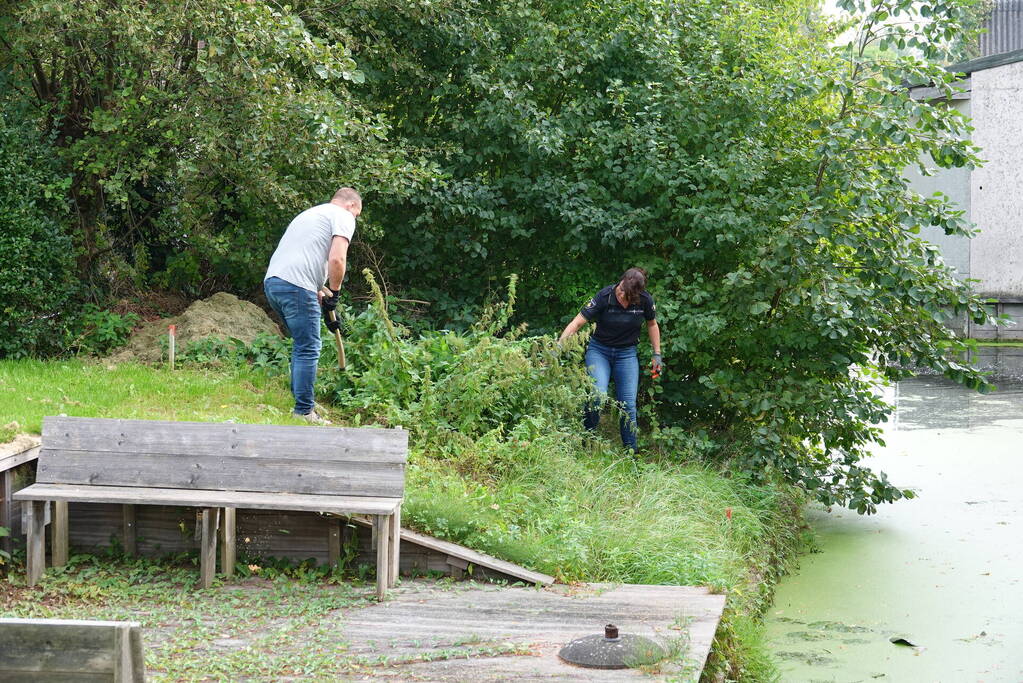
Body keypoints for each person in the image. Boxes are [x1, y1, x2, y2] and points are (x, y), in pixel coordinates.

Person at [264, 187, 361, 423]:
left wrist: (320, 291)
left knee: (301, 344)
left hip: (274, 282)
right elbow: (337, 258)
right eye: (357, 213)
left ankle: (302, 402)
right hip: (296, 285)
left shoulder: (312, 214)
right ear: (351, 205)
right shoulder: (343, 216)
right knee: (308, 346)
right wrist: (335, 293)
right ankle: (304, 411)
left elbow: (303, 255)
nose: (355, 219)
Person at [558, 268, 662, 451]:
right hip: (599, 351)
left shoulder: (645, 300)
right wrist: (557, 347)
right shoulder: (604, 296)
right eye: (620, 289)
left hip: (627, 354)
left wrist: (657, 354)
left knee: (628, 404)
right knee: (597, 396)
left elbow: (652, 324)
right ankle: (587, 441)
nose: (621, 294)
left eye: (626, 294)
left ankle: (631, 451)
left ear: (636, 294)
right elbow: (577, 322)